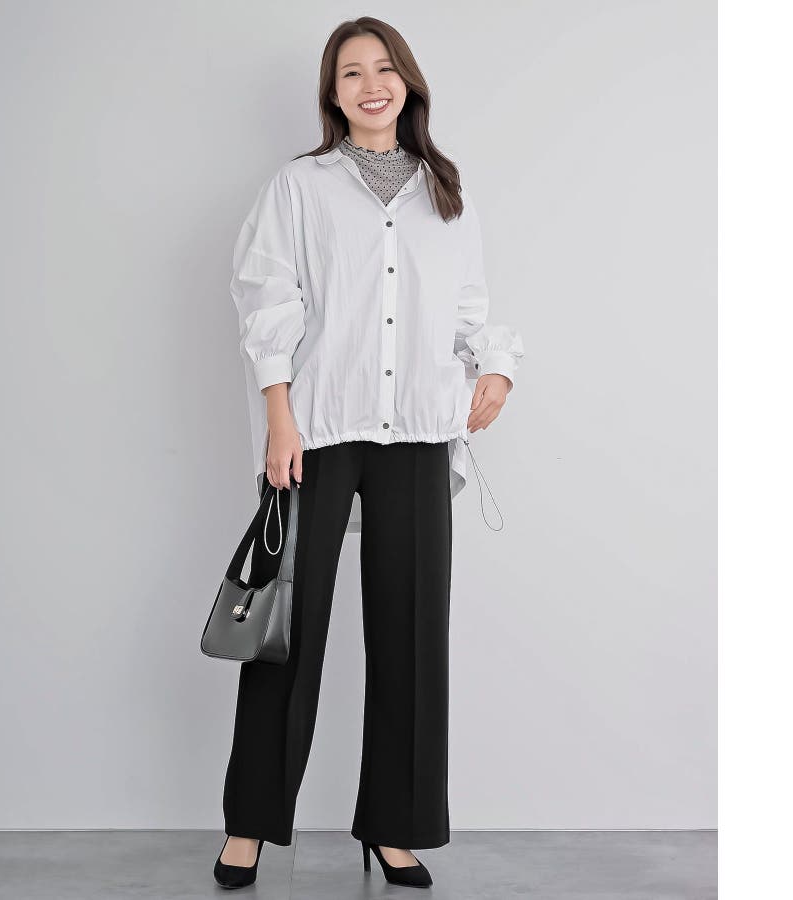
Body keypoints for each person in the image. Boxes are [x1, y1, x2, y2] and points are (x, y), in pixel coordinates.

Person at [213, 15, 524, 890]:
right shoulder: (300, 186)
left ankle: (395, 825)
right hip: (316, 427)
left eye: (384, 68)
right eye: (351, 72)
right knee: (285, 632)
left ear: (408, 82)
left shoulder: (445, 191)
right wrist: (279, 418)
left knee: (412, 635)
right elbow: (266, 299)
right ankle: (250, 825)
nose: (371, 84)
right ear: (333, 93)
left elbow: (468, 308)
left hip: (419, 432)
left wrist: (498, 366)